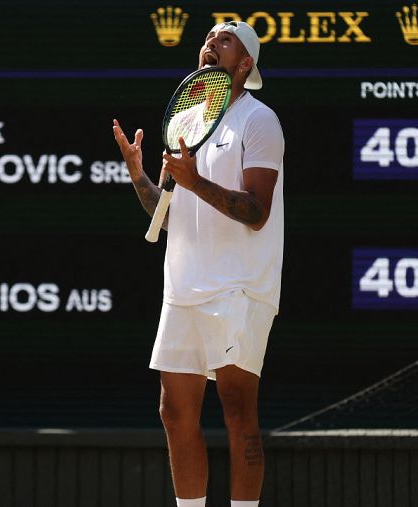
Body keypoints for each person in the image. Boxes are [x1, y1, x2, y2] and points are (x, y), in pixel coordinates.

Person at [112, 21, 284, 507]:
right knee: (173, 412)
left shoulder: (259, 120)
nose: (211, 44)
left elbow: (256, 211)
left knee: (238, 412)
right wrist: (138, 174)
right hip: (183, 287)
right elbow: (165, 213)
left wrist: (195, 184)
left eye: (225, 40)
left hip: (239, 289)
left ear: (245, 63)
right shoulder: (187, 122)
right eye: (208, 38)